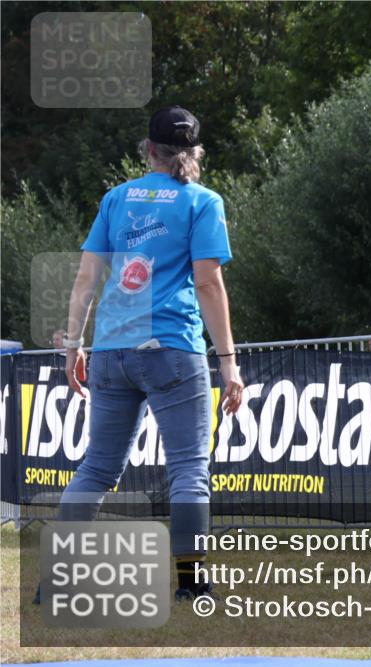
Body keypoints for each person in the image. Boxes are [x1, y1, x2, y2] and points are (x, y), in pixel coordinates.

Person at [47, 106, 243, 602]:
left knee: (97, 468)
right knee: (188, 469)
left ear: (148, 150)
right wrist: (228, 362)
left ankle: (55, 582)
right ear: (195, 153)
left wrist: (74, 344)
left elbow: (85, 280)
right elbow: (209, 284)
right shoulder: (203, 201)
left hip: (111, 350)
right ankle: (192, 583)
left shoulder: (116, 199)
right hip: (172, 348)